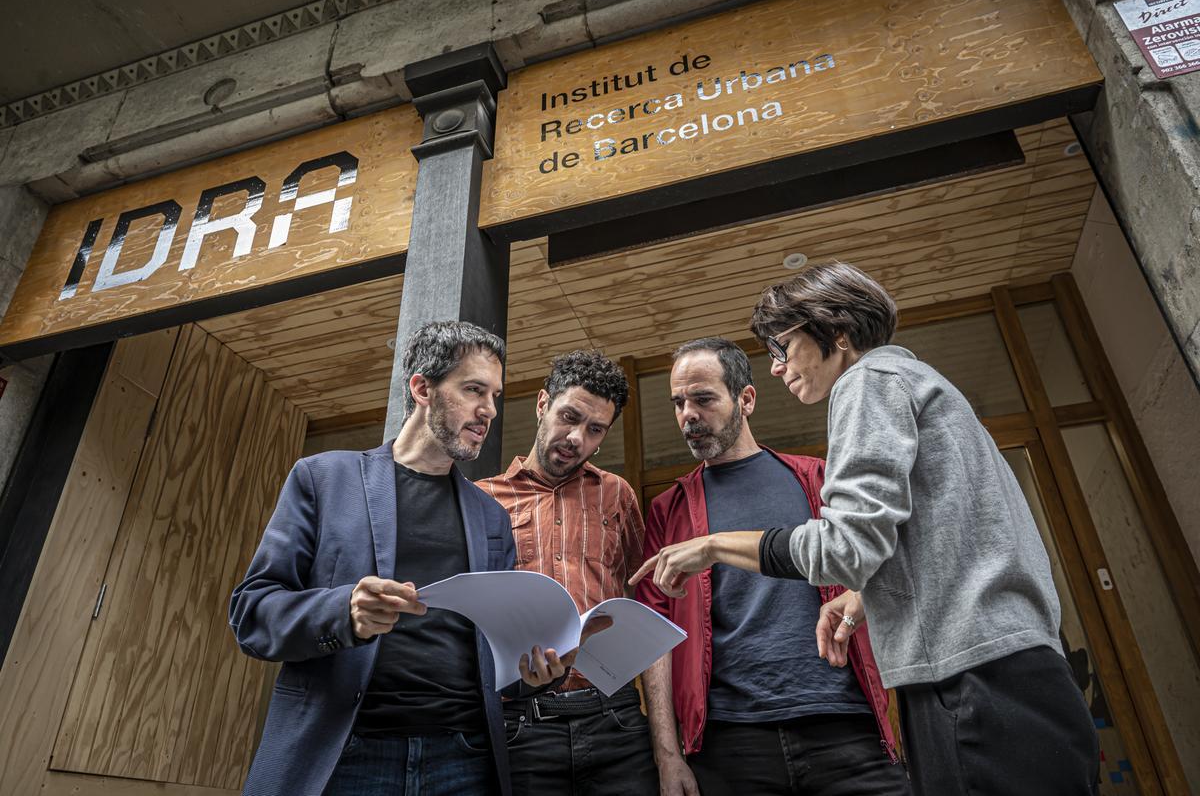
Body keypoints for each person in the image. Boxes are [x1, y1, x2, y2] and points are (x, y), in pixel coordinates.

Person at [631, 263, 1100, 796]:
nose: (780, 368)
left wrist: (713, 545)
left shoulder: (866, 384)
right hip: (1014, 670)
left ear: (838, 333)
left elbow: (846, 547)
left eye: (784, 348)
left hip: (971, 682)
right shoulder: (920, 384)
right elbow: (925, 537)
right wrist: (862, 599)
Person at [230, 321, 579, 796]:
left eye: (495, 396)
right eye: (474, 390)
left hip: (464, 759)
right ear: (422, 388)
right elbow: (252, 614)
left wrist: (534, 676)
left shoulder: (491, 518)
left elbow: (495, 661)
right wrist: (343, 611)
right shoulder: (323, 479)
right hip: (347, 753)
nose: (489, 411)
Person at [635, 337, 907, 796]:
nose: (688, 415)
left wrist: (859, 598)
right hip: (729, 743)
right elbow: (653, 637)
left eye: (703, 399)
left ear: (746, 398)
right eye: (678, 403)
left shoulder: (819, 479)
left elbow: (887, 562)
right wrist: (668, 757)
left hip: (845, 727)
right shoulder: (669, 510)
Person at [478, 350, 659, 795]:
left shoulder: (617, 495)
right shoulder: (482, 500)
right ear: (542, 404)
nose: (577, 437)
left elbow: (648, 601)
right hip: (520, 724)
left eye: (595, 429)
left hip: (614, 716)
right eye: (569, 417)